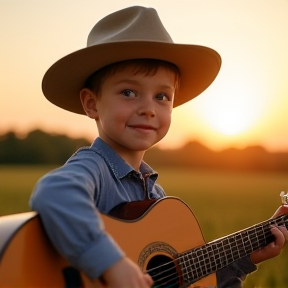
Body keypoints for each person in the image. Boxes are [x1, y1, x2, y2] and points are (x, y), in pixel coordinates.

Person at [30, 6, 288, 288]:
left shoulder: (156, 197)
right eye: (129, 92)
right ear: (92, 104)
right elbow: (54, 192)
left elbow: (180, 281)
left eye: (162, 96)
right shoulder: (95, 168)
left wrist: (244, 257)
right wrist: (112, 265)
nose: (148, 109)